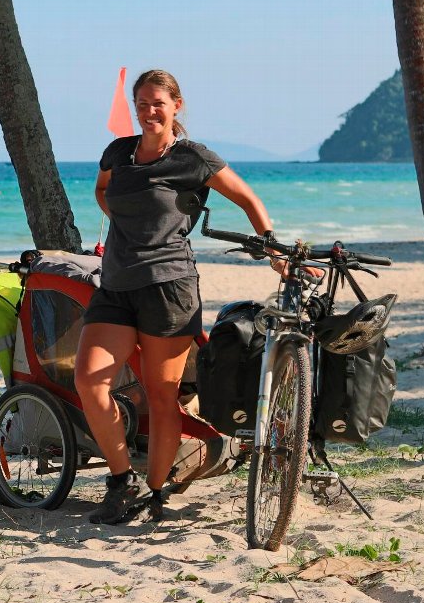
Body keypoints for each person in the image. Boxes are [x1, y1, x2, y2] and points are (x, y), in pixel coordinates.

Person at [74, 69, 284, 525]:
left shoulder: (192, 158)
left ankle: (154, 492)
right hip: (115, 286)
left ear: (176, 106)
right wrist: (128, 229)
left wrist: (270, 245)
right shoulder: (118, 151)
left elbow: (247, 198)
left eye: (158, 104)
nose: (150, 112)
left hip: (169, 288)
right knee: (90, 380)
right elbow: (102, 189)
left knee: (161, 395)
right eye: (143, 104)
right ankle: (120, 479)